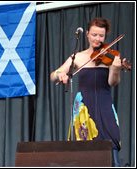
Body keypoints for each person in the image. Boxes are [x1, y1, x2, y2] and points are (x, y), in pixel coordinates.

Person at [50, 18, 125, 167]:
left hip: (104, 103)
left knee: (111, 144)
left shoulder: (110, 57)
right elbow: (53, 75)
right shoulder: (78, 57)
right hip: (83, 106)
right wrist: (61, 75)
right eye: (94, 35)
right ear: (88, 34)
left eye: (101, 36)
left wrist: (116, 68)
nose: (98, 39)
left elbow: (112, 82)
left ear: (105, 37)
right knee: (83, 148)